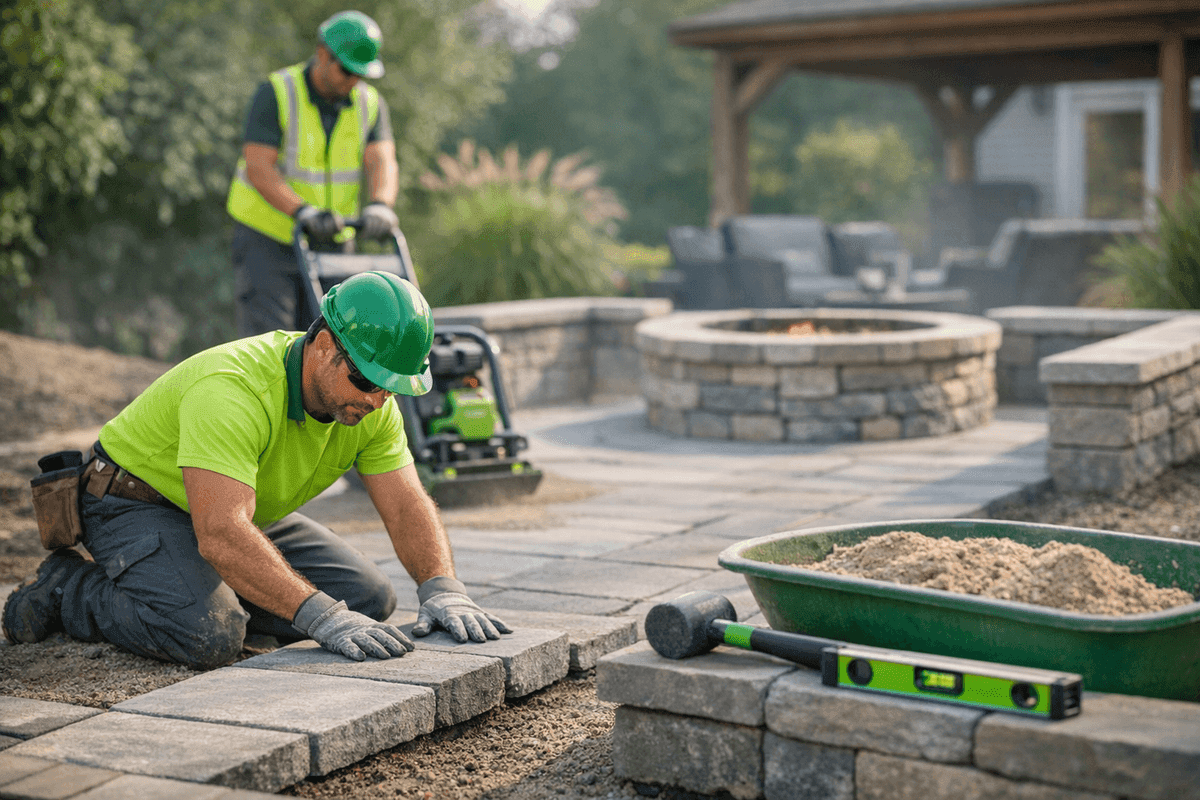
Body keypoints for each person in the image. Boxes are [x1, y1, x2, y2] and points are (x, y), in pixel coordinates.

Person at [2, 271, 510, 669]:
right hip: (133, 501)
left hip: (234, 506)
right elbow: (221, 535)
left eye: (390, 387)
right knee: (210, 633)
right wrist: (320, 617)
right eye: (366, 381)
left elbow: (405, 503)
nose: (377, 400)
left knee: (368, 599)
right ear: (326, 345)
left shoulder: (372, 407)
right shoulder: (234, 388)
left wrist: (442, 588)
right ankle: (68, 588)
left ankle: (217, 592)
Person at [227, 9, 403, 338]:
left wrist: (381, 204)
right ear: (323, 53)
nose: (353, 80)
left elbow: (382, 160)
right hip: (269, 238)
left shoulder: (369, 103)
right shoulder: (277, 92)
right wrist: (302, 211)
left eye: (360, 74)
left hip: (332, 239)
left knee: (332, 342)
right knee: (272, 342)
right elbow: (258, 166)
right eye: (346, 70)